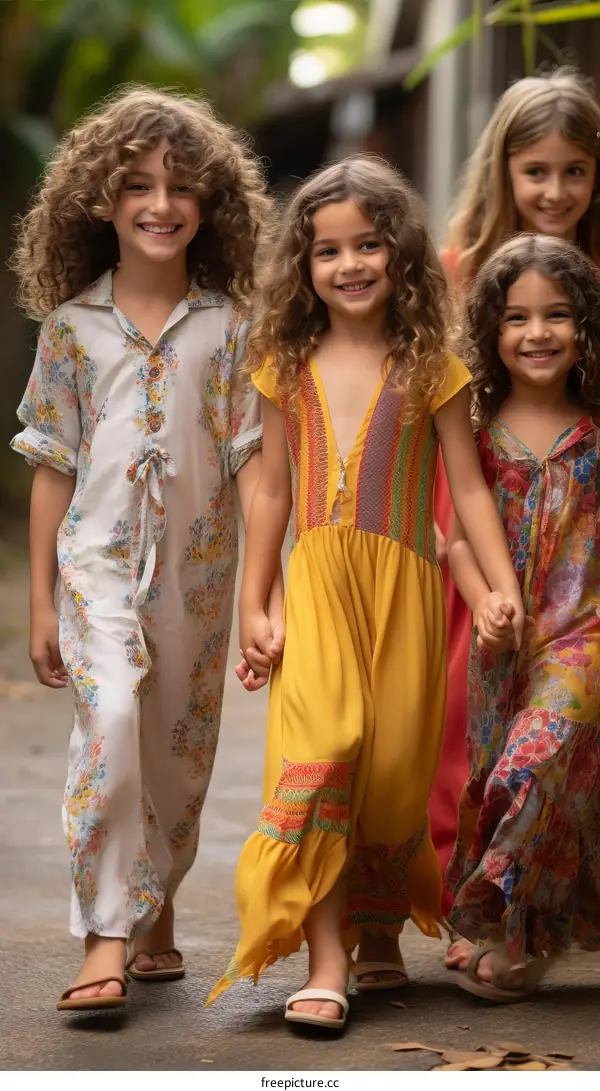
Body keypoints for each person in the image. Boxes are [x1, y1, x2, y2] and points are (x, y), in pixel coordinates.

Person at [206, 155, 524, 1030]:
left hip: (407, 595)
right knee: (327, 746)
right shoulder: (286, 360)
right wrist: (255, 603)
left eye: (369, 244)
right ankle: (327, 955)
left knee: (388, 774)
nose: (349, 264)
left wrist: (499, 587)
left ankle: (378, 928)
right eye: (326, 250)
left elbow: (465, 491)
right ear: (302, 266)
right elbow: (270, 489)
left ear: (402, 253)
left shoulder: (434, 366)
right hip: (314, 584)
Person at [10, 85, 282, 1011]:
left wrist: (256, 592)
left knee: (177, 750)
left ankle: (154, 905)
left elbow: (253, 463)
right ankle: (106, 935)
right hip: (96, 569)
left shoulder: (231, 328)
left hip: (199, 580)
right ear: (101, 201)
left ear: (209, 206)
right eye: (137, 185)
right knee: (114, 725)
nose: (159, 204)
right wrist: (43, 601)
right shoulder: (72, 331)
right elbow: (50, 461)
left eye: (180, 187)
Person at [430, 68, 600, 943]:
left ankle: (537, 906)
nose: (556, 190)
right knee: (471, 717)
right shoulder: (459, 268)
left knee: (558, 723)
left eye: (576, 170)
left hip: (579, 525)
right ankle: (477, 896)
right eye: (537, 171)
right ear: (504, 168)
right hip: (479, 500)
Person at [446, 233, 600, 1002]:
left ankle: (528, 942)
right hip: (503, 646)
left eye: (558, 315)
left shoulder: (596, 429)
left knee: (533, 763)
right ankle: (509, 926)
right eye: (517, 318)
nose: (538, 333)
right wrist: (484, 601)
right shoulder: (476, 428)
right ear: (491, 331)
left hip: (584, 639)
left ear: (585, 326)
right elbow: (453, 541)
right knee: (497, 783)